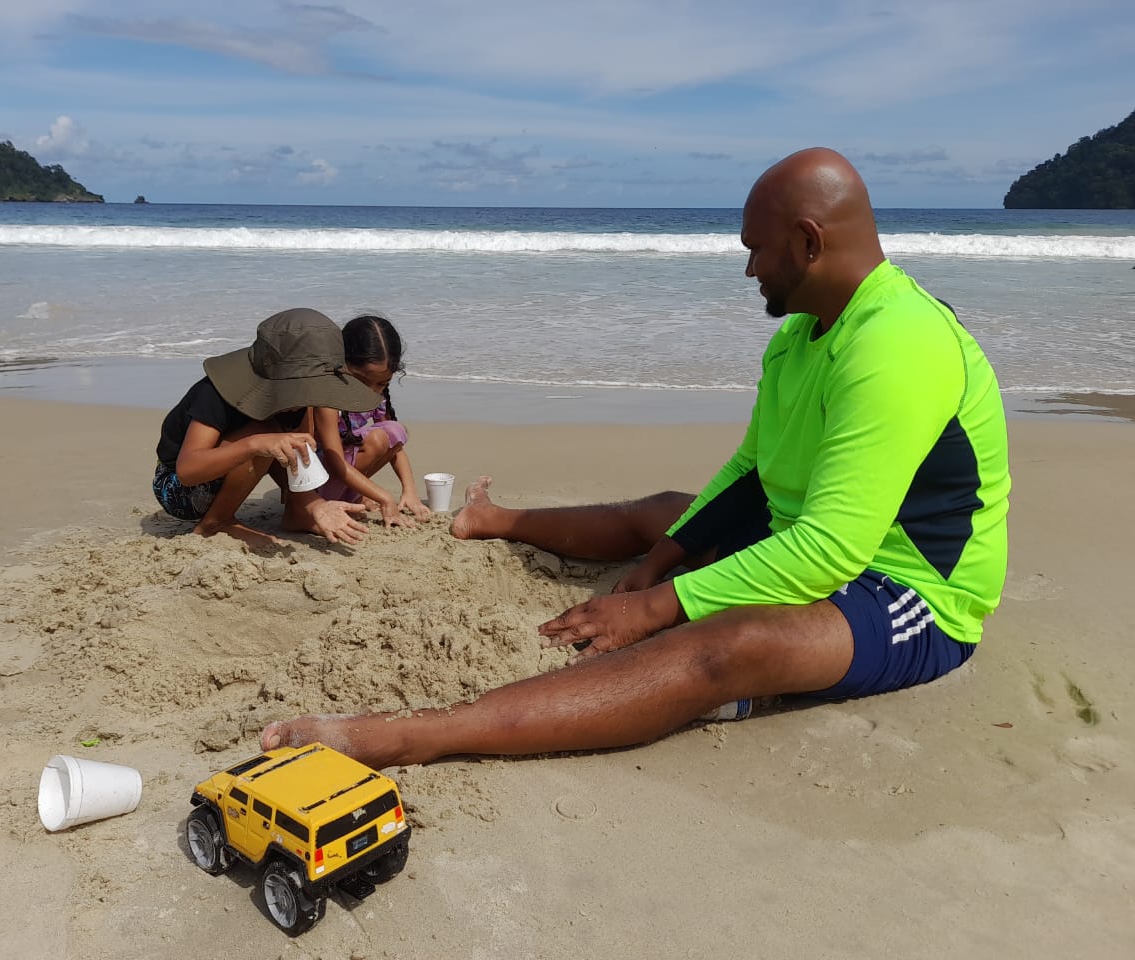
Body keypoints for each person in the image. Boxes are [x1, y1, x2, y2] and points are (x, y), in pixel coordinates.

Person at [259, 148, 1012, 769]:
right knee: (664, 514)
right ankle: (495, 520)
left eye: (757, 249)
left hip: (905, 591)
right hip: (808, 539)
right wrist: (662, 559)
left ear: (809, 243)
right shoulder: (798, 337)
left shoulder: (897, 342)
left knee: (728, 647)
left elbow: (832, 550)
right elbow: (751, 472)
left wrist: (654, 607)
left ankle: (421, 734)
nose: (751, 270)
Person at [153, 308, 382, 548]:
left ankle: (297, 511)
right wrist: (254, 445)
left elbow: (298, 458)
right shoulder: (214, 393)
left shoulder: (302, 401)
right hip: (178, 490)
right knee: (264, 432)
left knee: (288, 440)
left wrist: (315, 505)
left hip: (220, 475)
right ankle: (215, 523)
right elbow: (188, 471)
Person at [309, 314, 432, 528]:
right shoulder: (327, 398)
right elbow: (335, 462)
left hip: (342, 471)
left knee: (392, 430)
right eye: (363, 381)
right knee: (374, 439)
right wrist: (384, 497)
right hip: (316, 479)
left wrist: (409, 491)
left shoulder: (378, 395)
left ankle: (353, 495)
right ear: (344, 364)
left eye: (382, 383)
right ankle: (339, 500)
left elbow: (396, 446)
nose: (372, 391)